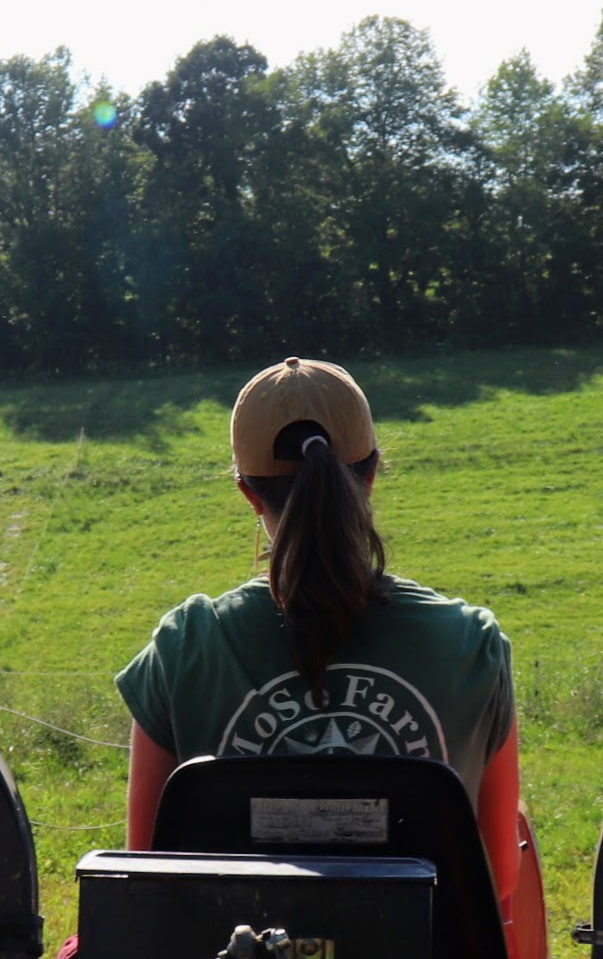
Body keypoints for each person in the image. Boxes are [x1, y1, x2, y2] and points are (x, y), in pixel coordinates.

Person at [114, 356, 522, 937]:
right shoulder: (471, 642)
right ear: (372, 474)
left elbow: (148, 872)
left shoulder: (186, 644)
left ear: (248, 493)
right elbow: (496, 875)